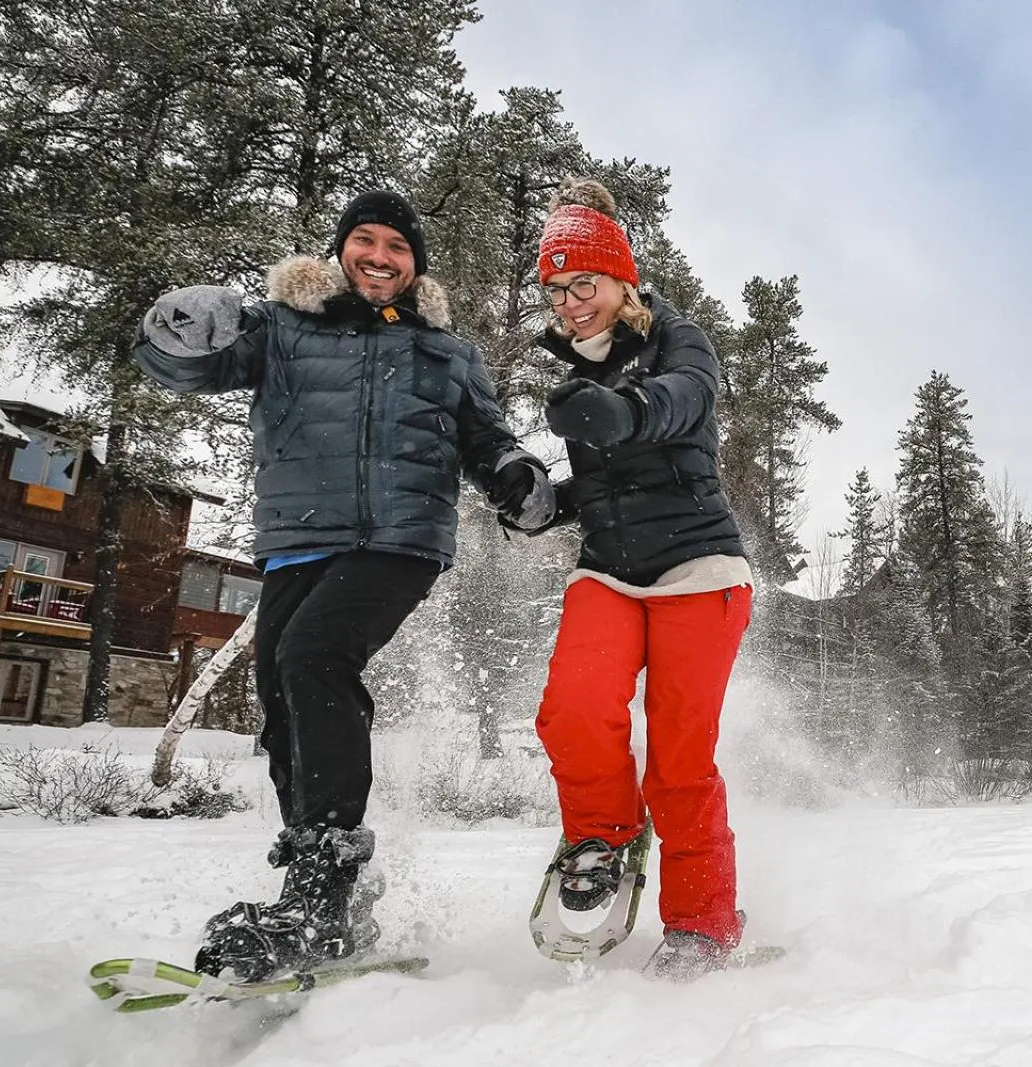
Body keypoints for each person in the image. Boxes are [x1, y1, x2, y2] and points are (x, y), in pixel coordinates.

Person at [134, 189, 554, 981]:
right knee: (284, 693)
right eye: (365, 240)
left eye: (397, 246)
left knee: (314, 658)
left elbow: (486, 440)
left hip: (401, 540)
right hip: (299, 540)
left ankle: (322, 891)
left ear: (414, 265)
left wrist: (517, 476)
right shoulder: (282, 327)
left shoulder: (445, 351)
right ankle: (330, 896)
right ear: (341, 251)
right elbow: (186, 369)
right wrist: (179, 325)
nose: (380, 257)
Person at [518, 177, 754, 981]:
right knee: (573, 709)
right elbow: (611, 484)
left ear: (623, 280)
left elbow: (687, 403)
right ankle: (602, 835)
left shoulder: (680, 339)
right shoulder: (570, 370)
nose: (572, 303)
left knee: (680, 758)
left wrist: (626, 411)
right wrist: (549, 501)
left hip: (701, 567)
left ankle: (702, 922)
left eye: (585, 283)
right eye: (557, 290)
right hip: (610, 570)